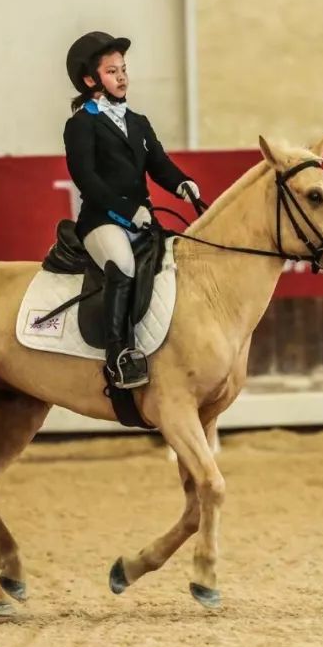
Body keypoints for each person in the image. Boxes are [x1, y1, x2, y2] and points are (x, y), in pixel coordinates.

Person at [63, 31, 201, 389]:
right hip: (102, 221)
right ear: (91, 79)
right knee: (122, 266)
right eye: (112, 71)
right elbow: (86, 179)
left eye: (123, 69)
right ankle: (118, 357)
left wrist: (181, 183)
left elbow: (160, 164)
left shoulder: (137, 121)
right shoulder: (81, 124)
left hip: (140, 217)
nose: (122, 77)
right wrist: (126, 211)